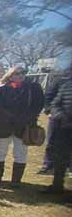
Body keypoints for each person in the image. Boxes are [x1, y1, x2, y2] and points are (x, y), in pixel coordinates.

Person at [0, 66, 45, 188]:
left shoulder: (33, 88)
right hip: (4, 126)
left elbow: (38, 105)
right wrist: (9, 117)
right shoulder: (2, 90)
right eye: (17, 73)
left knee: (20, 153)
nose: (20, 75)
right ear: (10, 75)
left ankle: (16, 181)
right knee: (0, 152)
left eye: (23, 73)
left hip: (24, 126)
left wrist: (25, 118)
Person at [40, 65, 72, 195]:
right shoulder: (66, 85)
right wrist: (61, 117)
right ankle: (57, 186)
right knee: (60, 156)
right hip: (64, 126)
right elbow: (54, 103)